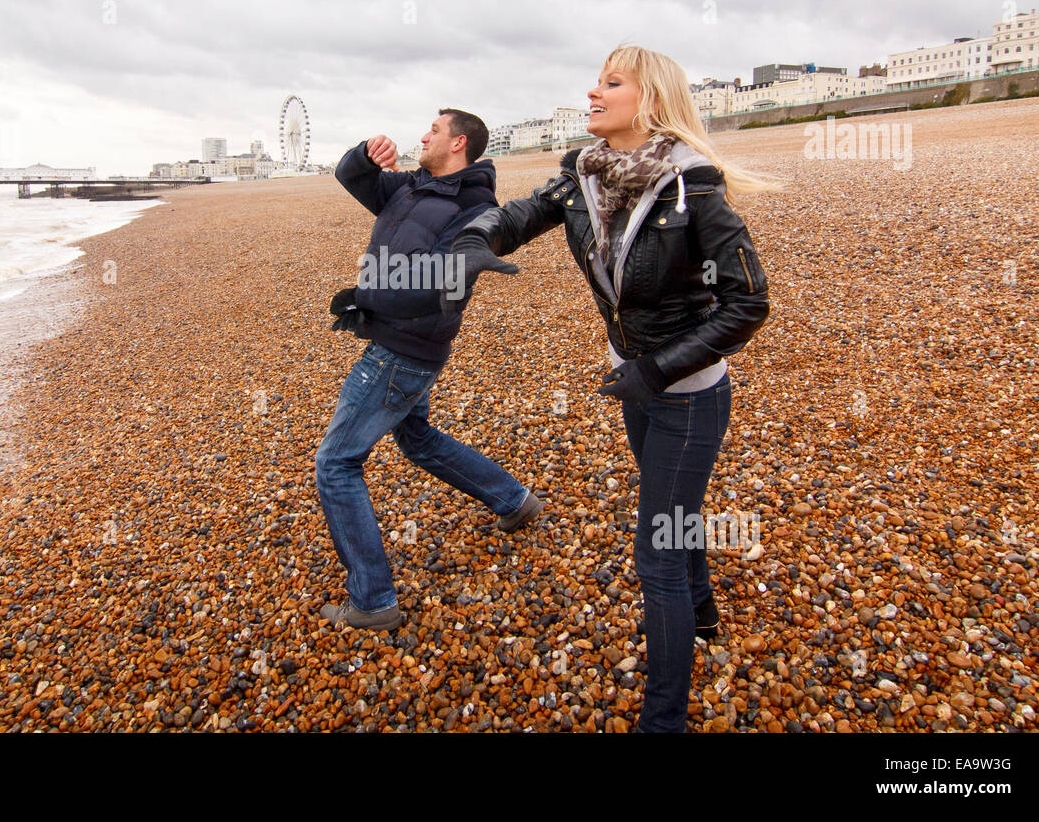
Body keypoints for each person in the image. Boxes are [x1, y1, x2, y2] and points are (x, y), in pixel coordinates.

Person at [450, 46, 775, 731]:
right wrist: (477, 239)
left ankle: (665, 720)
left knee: (654, 553)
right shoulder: (583, 175)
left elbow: (748, 300)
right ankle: (705, 608)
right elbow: (517, 215)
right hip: (635, 380)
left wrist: (657, 369)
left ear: (648, 101)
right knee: (676, 507)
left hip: (686, 392)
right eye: (596, 80)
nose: (592, 93)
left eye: (610, 82)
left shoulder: (694, 187)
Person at [315, 109, 545, 632]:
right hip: (404, 346)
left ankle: (372, 601)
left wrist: (369, 295)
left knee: (336, 464)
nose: (423, 135)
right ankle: (513, 500)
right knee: (416, 438)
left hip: (401, 351)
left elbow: (446, 282)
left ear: (459, 143)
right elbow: (350, 177)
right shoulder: (410, 187)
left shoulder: (472, 207)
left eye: (434, 130)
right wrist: (365, 152)